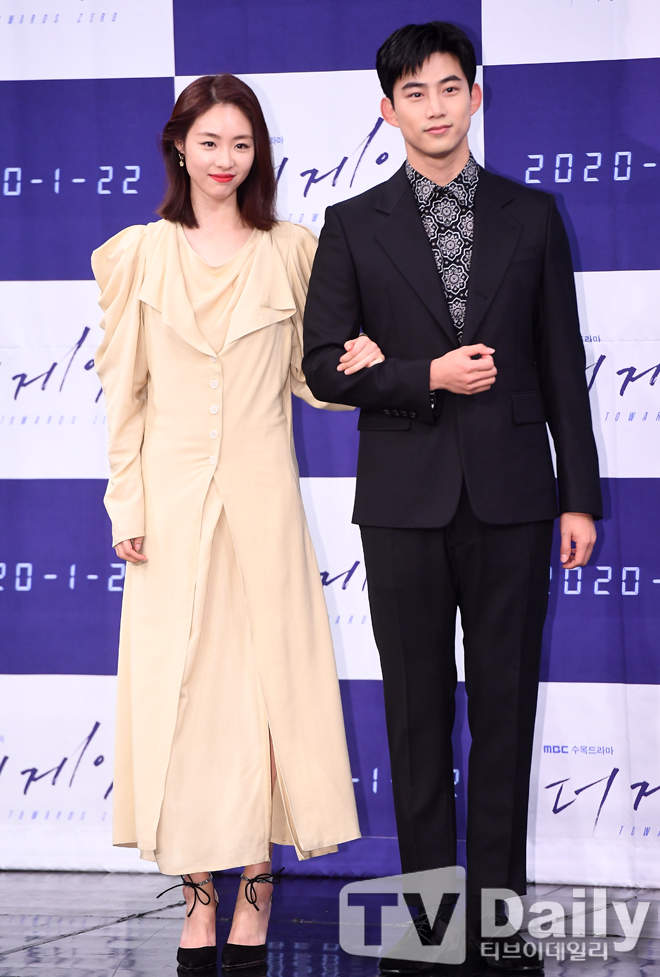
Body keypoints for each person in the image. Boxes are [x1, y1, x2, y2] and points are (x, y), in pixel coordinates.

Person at [303, 21, 602, 977]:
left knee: (506, 715)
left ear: (476, 95)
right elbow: (323, 366)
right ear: (386, 110)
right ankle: (429, 929)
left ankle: (502, 925)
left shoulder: (533, 215)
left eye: (448, 88)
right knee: (416, 716)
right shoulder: (352, 224)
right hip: (403, 501)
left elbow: (562, 365)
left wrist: (579, 497)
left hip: (515, 499)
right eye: (414, 93)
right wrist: (422, 373)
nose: (434, 108)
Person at [93, 74, 381, 973]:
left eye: (242, 144)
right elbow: (124, 397)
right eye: (210, 141)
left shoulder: (291, 249)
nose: (225, 159)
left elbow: (309, 379)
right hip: (169, 510)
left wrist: (364, 365)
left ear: (260, 154)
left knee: (264, 698)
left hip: (263, 505)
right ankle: (197, 898)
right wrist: (127, 503)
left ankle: (256, 891)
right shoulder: (139, 254)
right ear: (179, 146)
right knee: (179, 700)